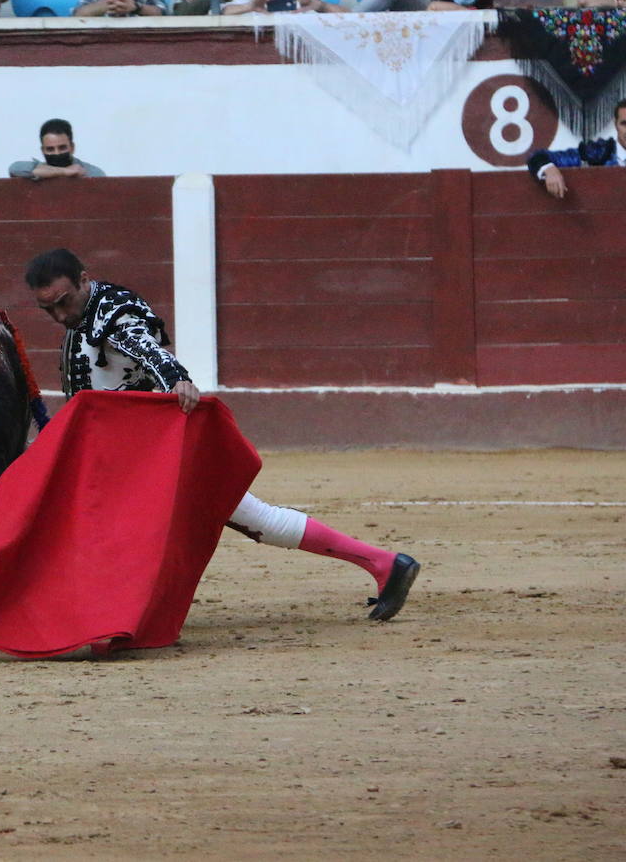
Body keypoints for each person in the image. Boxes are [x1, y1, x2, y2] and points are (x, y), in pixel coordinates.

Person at [24, 247, 421, 622]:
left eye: (64, 302)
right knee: (249, 519)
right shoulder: (92, 308)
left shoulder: (112, 317)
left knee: (252, 519)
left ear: (83, 280)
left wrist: (178, 380)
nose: (60, 315)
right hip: (123, 455)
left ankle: (384, 563)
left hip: (147, 456)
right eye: (49, 309)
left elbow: (149, 351)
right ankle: (384, 564)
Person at [9, 118, 105, 180]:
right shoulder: (38, 169)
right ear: (43, 151)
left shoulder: (92, 172)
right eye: (50, 149)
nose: (57, 153)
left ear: (72, 147)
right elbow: (15, 168)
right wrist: (65, 172)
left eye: (62, 148)